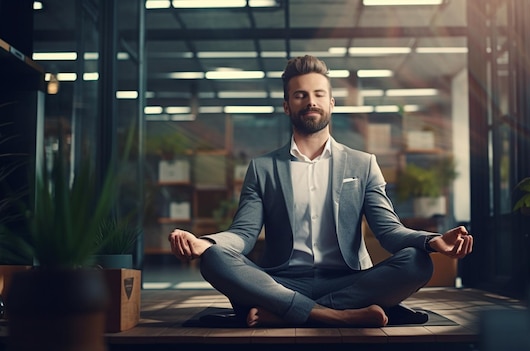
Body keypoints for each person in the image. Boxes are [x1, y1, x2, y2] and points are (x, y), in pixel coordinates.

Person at [169, 54, 473, 328]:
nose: (310, 101)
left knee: (417, 261)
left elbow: (389, 232)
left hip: (349, 281)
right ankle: (334, 316)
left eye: (319, 94)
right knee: (215, 259)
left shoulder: (363, 164)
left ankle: (284, 313)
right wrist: (206, 242)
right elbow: (244, 234)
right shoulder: (263, 168)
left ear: (331, 103)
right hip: (281, 282)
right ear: (287, 105)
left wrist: (433, 241)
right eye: (300, 95)